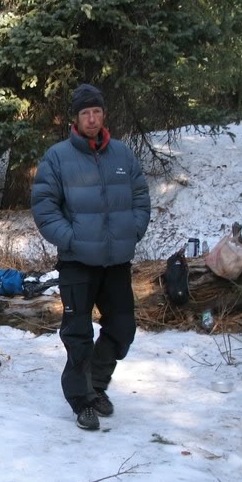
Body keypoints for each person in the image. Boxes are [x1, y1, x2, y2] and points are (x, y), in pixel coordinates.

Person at [30, 83, 151, 431]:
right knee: (78, 333)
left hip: (116, 262)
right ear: (76, 119)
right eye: (86, 113)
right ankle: (82, 401)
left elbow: (140, 197)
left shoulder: (123, 155)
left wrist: (133, 229)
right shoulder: (57, 157)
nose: (92, 118)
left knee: (122, 328)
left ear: (103, 115)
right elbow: (44, 206)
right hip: (77, 263)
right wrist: (72, 239)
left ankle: (96, 386)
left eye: (96, 111)